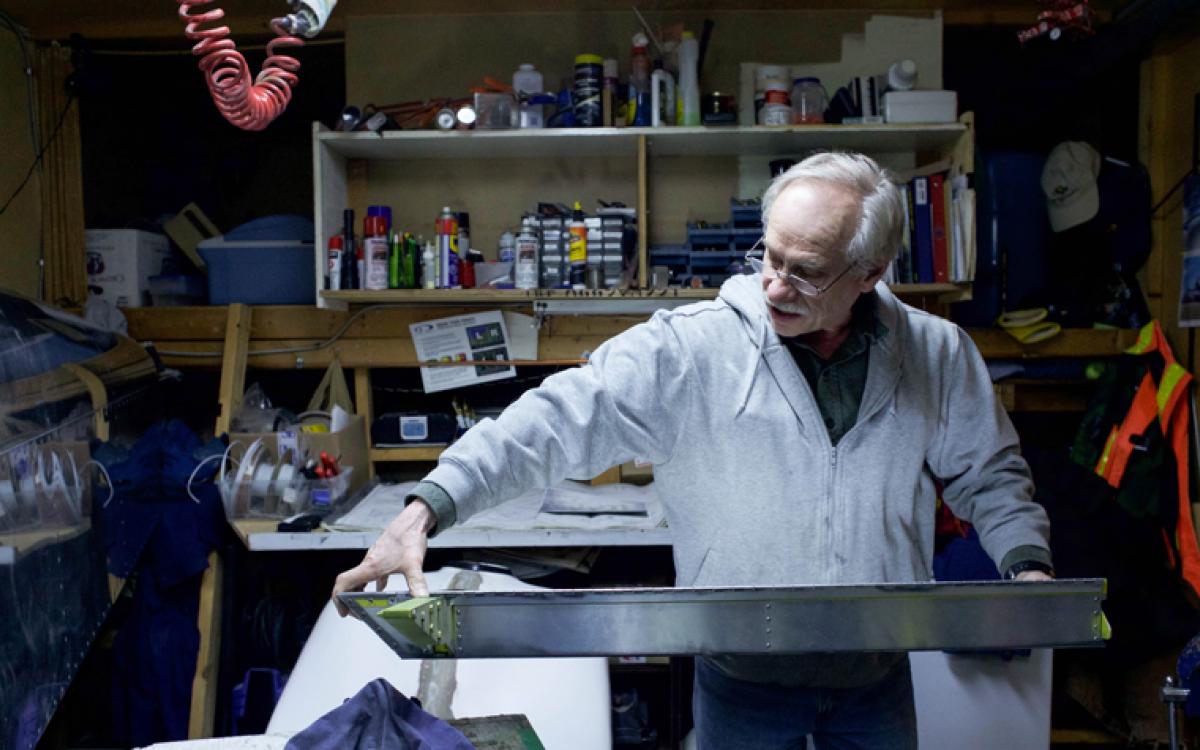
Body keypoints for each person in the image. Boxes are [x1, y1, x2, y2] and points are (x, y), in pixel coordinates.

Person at [332, 152, 1054, 749]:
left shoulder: (934, 353)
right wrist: (428, 505)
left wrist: (1026, 567)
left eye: (804, 270)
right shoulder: (691, 349)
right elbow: (553, 419)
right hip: (742, 682)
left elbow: (989, 474)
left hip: (877, 678)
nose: (774, 284)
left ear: (869, 273)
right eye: (768, 256)